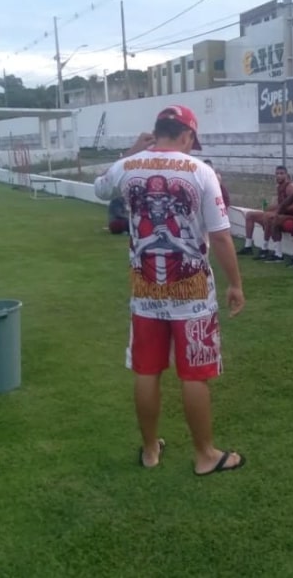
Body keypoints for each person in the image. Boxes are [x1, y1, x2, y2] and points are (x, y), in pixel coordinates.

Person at [93, 104, 247, 476]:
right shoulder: (200, 171)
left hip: (146, 289)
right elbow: (222, 237)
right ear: (187, 135)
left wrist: (130, 154)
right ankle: (205, 455)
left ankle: (150, 450)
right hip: (191, 291)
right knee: (194, 375)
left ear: (156, 130)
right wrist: (236, 284)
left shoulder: (128, 166)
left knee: (147, 371)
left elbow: (100, 190)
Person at [238, 166, 293, 259]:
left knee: (268, 216)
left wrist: (278, 210)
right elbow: (281, 203)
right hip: (280, 213)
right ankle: (248, 246)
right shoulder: (279, 187)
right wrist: (269, 207)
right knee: (250, 215)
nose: (279, 176)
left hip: (289, 216)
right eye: (277, 174)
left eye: (281, 173)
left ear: (287, 175)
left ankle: (265, 249)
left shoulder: (290, 187)